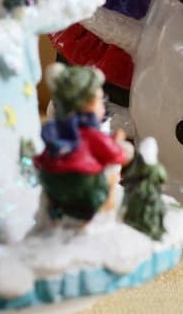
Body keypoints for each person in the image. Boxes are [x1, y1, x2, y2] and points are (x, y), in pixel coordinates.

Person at [33, 64, 131, 223]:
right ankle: (90, 217)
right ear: (89, 104)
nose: (103, 106)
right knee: (107, 180)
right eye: (100, 100)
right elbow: (115, 155)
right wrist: (118, 143)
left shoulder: (57, 128)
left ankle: (57, 211)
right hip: (81, 182)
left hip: (51, 179)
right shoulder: (90, 134)